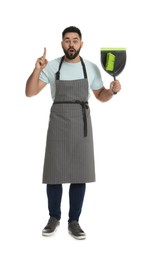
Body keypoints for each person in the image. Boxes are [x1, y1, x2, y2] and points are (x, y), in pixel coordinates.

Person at [25, 26, 121, 240]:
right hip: (58, 122)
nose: (71, 44)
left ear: (81, 43)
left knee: (80, 173)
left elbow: (101, 96)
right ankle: (53, 218)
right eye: (67, 40)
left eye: (75, 40)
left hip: (81, 124)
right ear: (62, 44)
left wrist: (112, 91)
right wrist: (36, 69)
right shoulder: (50, 67)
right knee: (54, 172)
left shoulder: (91, 67)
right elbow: (30, 92)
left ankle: (74, 221)